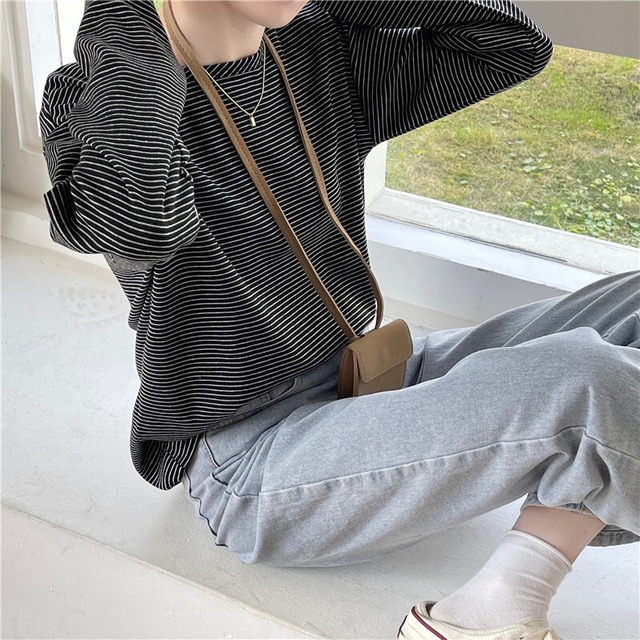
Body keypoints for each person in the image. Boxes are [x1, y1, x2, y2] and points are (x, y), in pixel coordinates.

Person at [39, 1, 639, 638]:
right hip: (254, 458)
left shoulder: (312, 47)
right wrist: (132, 17)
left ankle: (506, 589)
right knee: (586, 382)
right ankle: (483, 611)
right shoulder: (104, 91)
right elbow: (142, 221)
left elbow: (509, 43)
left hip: (368, 378)